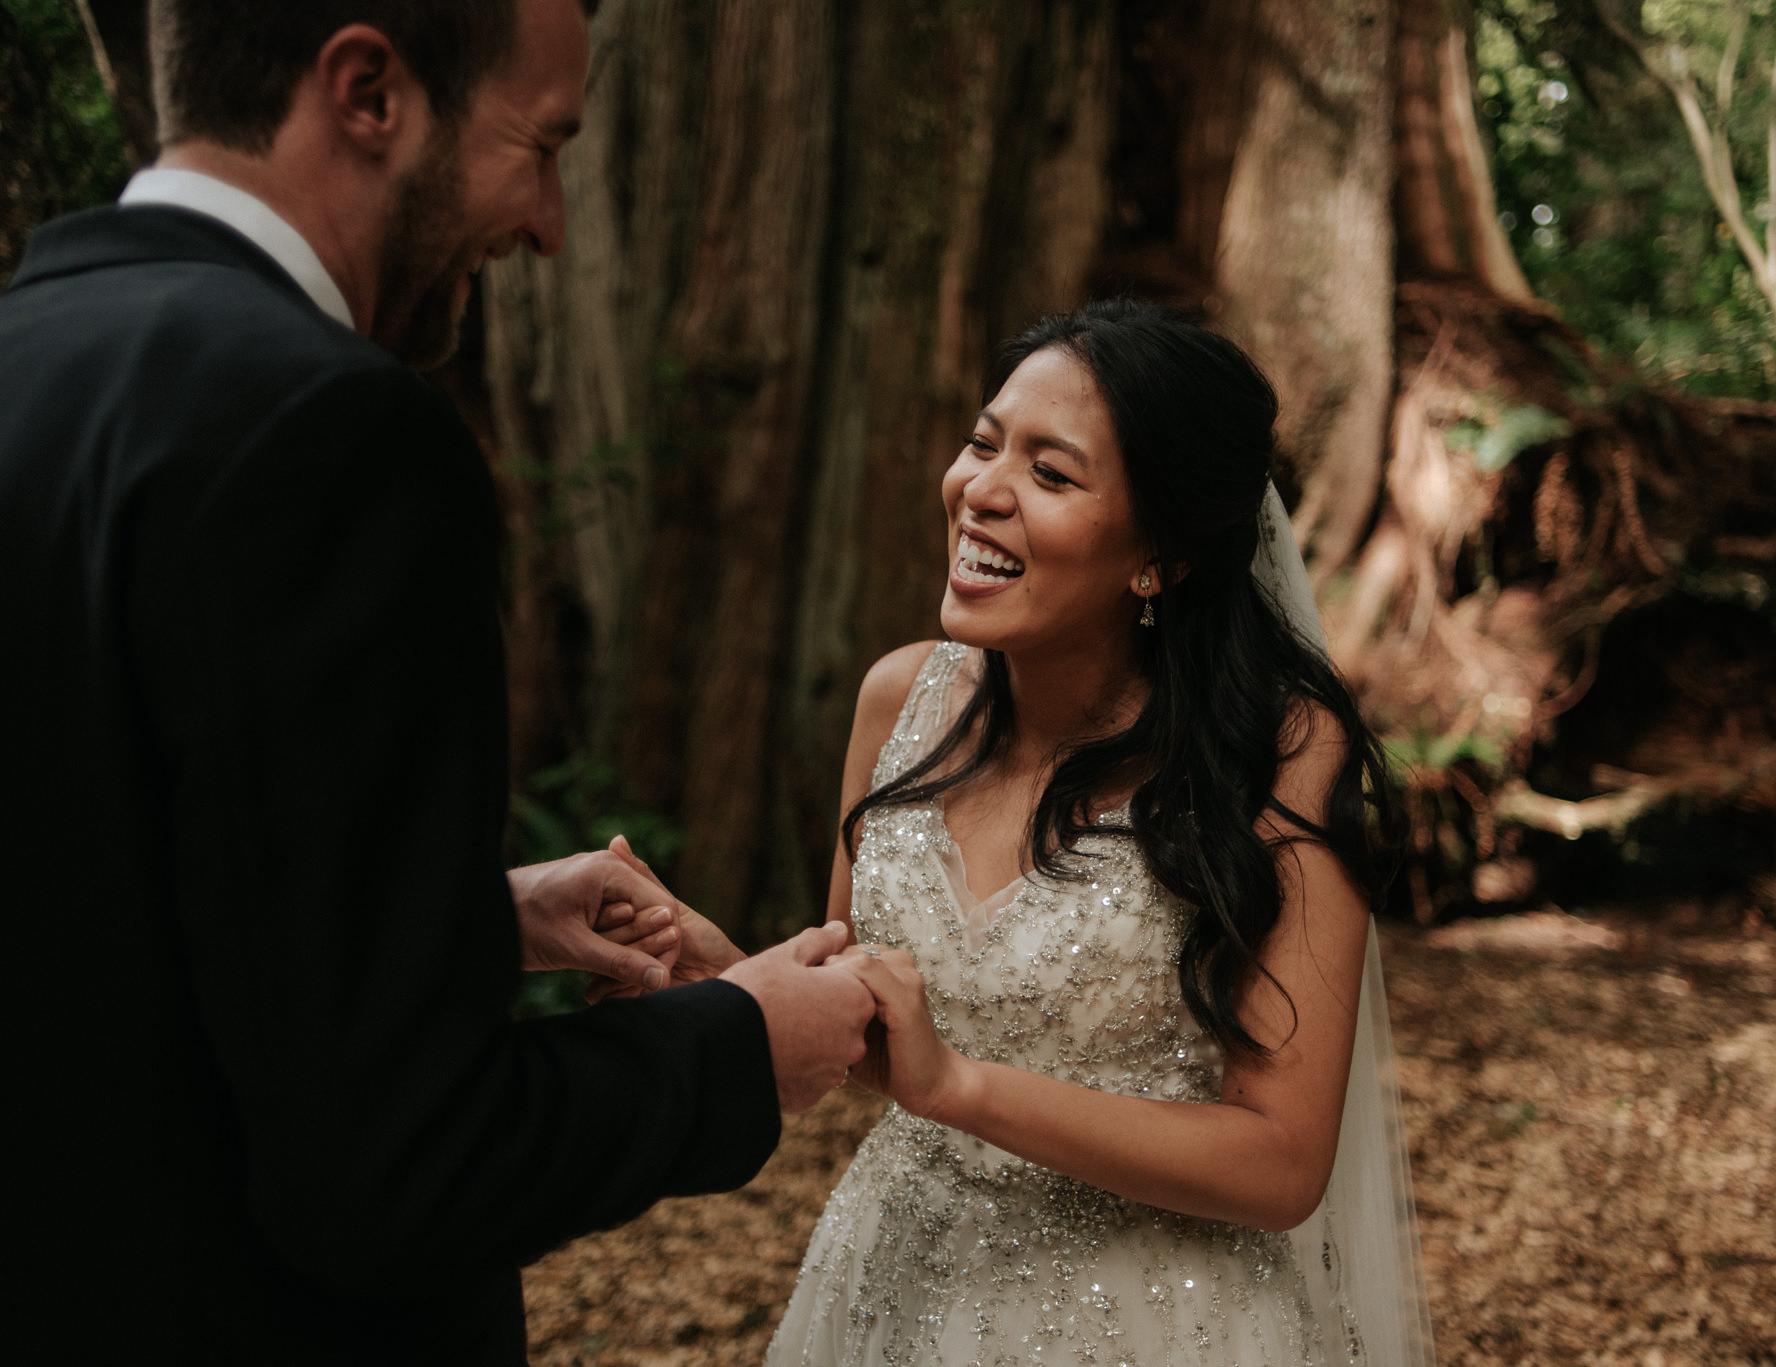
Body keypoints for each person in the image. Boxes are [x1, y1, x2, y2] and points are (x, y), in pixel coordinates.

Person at [0, 1, 871, 1361]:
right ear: (368, 93)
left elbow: (97, 903)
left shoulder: (32, 356)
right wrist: (737, 1046)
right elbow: (396, 1171)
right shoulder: (331, 433)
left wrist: (464, 917)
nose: (551, 224)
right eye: (540, 146)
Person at [764, 300, 1437, 1366]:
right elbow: (870, 1025)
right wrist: (717, 979)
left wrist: (961, 1090)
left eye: (1050, 472)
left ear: (1158, 557)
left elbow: (1280, 1160)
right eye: (984, 443)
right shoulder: (899, 699)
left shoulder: (1276, 754)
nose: (979, 489)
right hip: (889, 1287)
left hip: (1147, 1320)